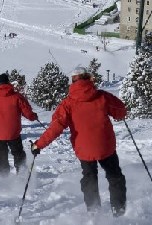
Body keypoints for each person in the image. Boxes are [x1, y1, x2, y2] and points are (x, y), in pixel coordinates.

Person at [31, 67, 127, 217]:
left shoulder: (67, 104)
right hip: (105, 146)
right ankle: (119, 210)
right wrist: (118, 114)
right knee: (115, 176)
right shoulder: (102, 96)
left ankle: (94, 211)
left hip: (84, 149)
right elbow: (121, 111)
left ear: (73, 81)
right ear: (88, 78)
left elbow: (55, 127)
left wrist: (39, 144)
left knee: (89, 177)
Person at [0, 73, 38, 176]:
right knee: (18, 152)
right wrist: (33, 117)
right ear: (8, 82)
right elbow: (27, 112)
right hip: (13, 132)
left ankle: (3, 174)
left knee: (2, 153)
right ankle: (21, 172)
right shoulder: (17, 97)